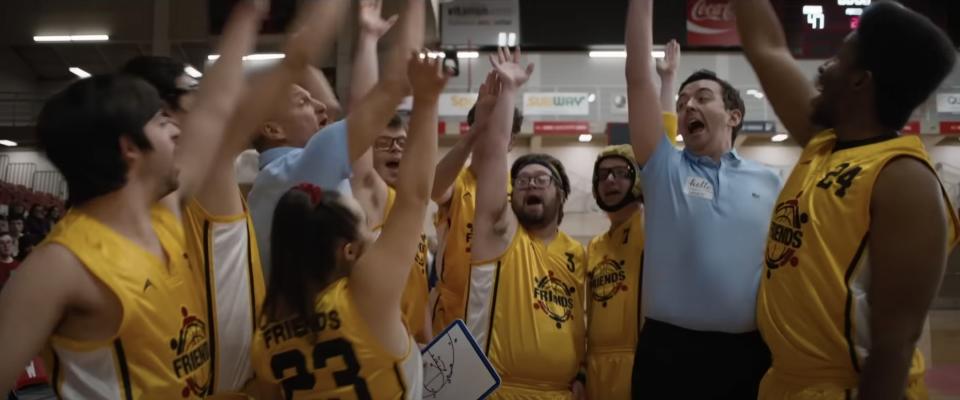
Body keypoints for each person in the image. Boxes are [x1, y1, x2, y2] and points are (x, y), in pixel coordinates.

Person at [0, 2, 262, 396]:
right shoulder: (57, 267)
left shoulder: (164, 214)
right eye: (161, 121)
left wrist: (246, 16)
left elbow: (214, 111)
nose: (176, 130)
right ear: (130, 148)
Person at [734, 1, 960, 398]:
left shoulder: (904, 178)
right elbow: (766, 47)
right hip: (786, 382)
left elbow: (895, 346)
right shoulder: (824, 143)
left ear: (860, 81)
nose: (822, 68)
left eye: (837, 58)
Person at [248, 48, 445, 400]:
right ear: (348, 250)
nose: (373, 232)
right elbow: (414, 196)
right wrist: (426, 101)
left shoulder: (266, 337)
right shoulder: (367, 298)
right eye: (365, 227)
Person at [624, 1, 782, 398]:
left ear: (733, 115)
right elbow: (637, 80)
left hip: (747, 354)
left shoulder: (770, 181)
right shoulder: (664, 168)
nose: (688, 105)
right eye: (681, 103)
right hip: (667, 355)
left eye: (702, 97)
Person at [247, 0, 425, 283]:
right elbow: (390, 89)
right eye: (303, 102)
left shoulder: (279, 177)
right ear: (272, 128)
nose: (320, 107)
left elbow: (355, 109)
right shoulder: (300, 169)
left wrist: (367, 37)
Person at [466, 47, 586, 399]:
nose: (530, 184)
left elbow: (578, 325)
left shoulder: (577, 253)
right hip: (498, 391)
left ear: (561, 194)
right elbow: (493, 152)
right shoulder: (500, 232)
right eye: (522, 181)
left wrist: (581, 373)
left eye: (541, 180)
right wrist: (510, 91)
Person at [583, 40, 680, 400]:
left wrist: (667, 83)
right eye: (603, 175)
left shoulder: (653, 224)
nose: (610, 181)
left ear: (637, 180)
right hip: (596, 371)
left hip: (645, 364)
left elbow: (663, 151)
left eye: (620, 173)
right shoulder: (593, 247)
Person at [346, 0, 431, 344]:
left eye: (403, 144)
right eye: (386, 144)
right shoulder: (369, 194)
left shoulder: (413, 204)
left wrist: (429, 340)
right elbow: (364, 115)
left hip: (411, 346)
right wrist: (368, 40)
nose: (397, 150)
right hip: (372, 347)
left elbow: (418, 287)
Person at [429, 70, 523, 333]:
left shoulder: (519, 192)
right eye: (487, 129)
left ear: (512, 141)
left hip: (504, 318)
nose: (494, 137)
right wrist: (477, 129)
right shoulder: (458, 180)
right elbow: (434, 188)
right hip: (451, 319)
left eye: (501, 131)